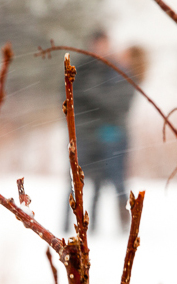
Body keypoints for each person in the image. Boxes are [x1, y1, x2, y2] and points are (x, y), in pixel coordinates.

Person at [63, 31, 148, 234]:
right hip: (103, 133)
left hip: (115, 135)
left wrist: (90, 89)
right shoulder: (114, 73)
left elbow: (109, 102)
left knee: (116, 179)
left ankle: (125, 223)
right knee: (101, 179)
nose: (119, 54)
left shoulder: (127, 78)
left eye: (125, 53)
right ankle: (97, 225)